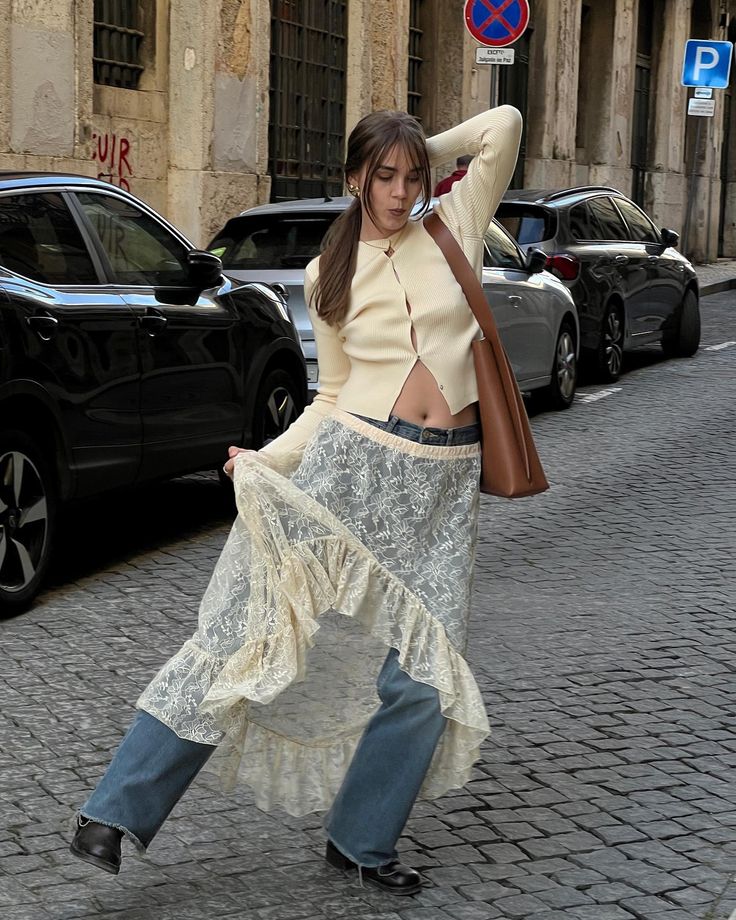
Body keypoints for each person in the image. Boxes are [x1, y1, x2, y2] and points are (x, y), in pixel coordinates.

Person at [69, 103, 522, 896]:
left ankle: (361, 841)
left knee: (425, 672)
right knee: (245, 626)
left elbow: (505, 121)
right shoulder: (328, 274)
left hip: (443, 489)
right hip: (353, 467)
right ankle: (112, 813)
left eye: (411, 177)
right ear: (354, 179)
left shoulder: (456, 218)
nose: (400, 191)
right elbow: (333, 394)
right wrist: (268, 461)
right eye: (383, 176)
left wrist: (418, 147)